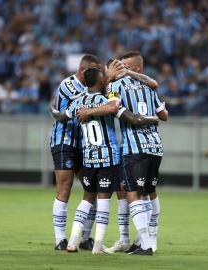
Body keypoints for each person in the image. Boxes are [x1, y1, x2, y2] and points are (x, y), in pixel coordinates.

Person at [51, 67, 159, 254]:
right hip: (108, 158)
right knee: (104, 201)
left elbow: (62, 116)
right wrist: (151, 119)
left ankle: (72, 242)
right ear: (101, 82)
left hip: (89, 158)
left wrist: (53, 109)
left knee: (86, 198)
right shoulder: (105, 100)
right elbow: (130, 117)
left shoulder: (78, 103)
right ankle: (98, 246)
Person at [79, 51, 169, 255]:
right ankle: (147, 240)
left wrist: (88, 111)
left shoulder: (114, 87)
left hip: (135, 148)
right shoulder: (148, 86)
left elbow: (113, 108)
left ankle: (145, 244)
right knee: (148, 193)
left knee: (132, 194)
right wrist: (151, 118)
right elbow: (164, 114)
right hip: (155, 146)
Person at [50, 54, 101, 251]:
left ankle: (86, 237)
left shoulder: (91, 87)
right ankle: (60, 239)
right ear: (83, 71)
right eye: (96, 70)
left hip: (85, 144)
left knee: (92, 188)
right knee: (65, 187)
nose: (99, 74)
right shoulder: (68, 85)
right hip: (64, 142)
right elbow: (84, 103)